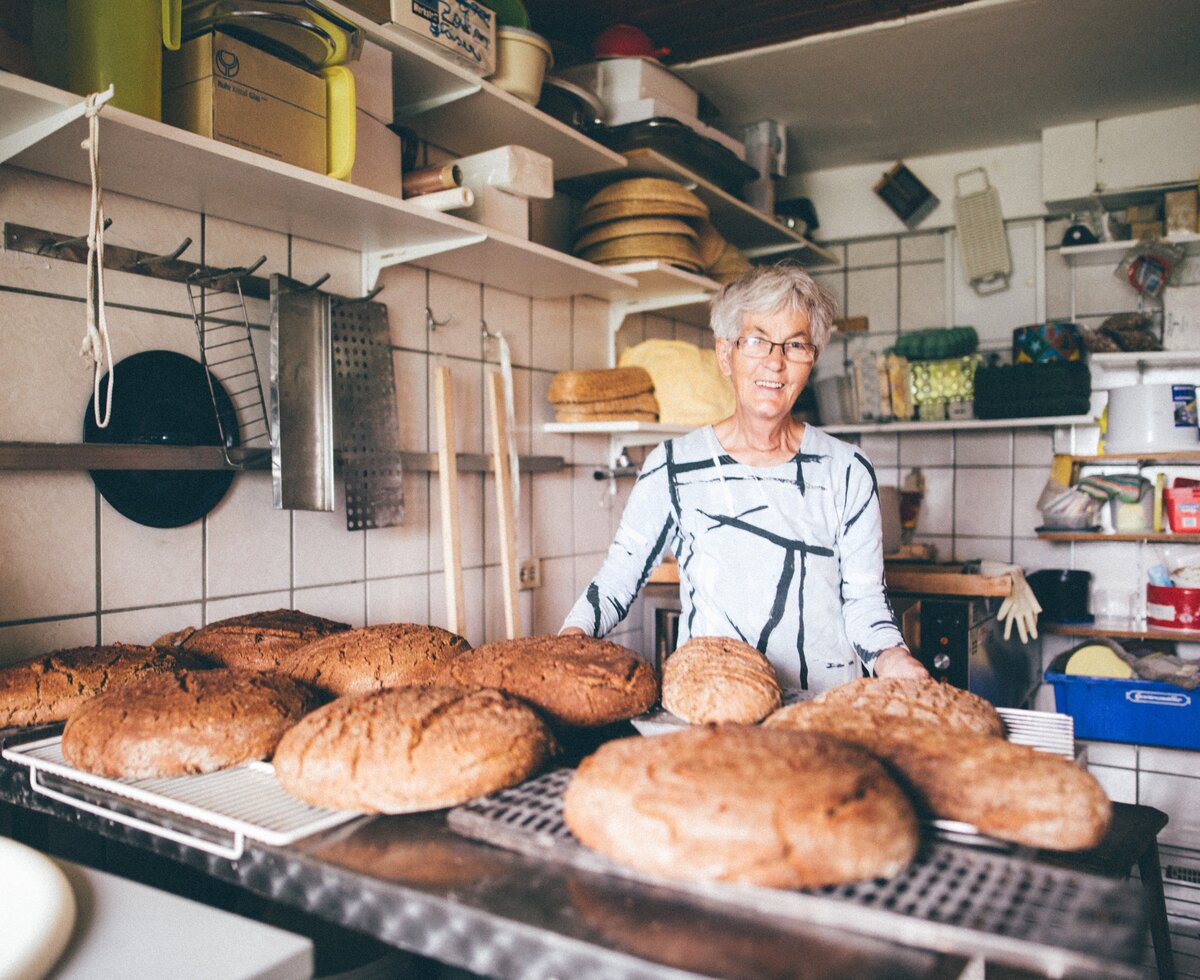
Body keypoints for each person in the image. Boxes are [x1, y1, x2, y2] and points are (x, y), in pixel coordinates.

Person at [561, 262, 928, 695]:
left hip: (824, 712)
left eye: (795, 345)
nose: (775, 362)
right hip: (712, 708)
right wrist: (570, 639)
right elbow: (620, 577)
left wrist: (893, 656)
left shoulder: (847, 470)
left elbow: (865, 602)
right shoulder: (675, 466)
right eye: (756, 341)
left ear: (812, 359)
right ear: (726, 354)